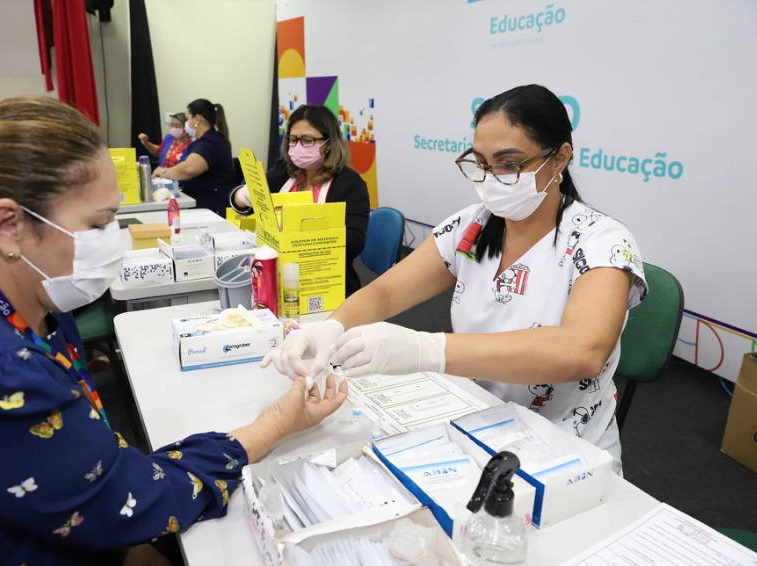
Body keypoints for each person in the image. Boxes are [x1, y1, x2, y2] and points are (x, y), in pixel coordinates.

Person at [0, 96, 347, 565]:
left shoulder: (24, 310)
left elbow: (85, 480)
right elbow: (130, 502)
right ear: (8, 226)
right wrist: (274, 425)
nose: (110, 242)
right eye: (99, 224)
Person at [263, 85, 647, 472]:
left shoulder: (602, 241)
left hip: (566, 450)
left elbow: (582, 352)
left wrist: (428, 350)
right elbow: (387, 291)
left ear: (560, 158)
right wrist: (332, 327)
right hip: (479, 423)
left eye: (509, 164)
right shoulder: (473, 227)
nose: (491, 178)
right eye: (481, 163)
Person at [229, 104, 370, 296]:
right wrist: (242, 196)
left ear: (329, 143)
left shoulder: (349, 183)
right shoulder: (285, 171)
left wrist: (303, 236)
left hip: (325, 280)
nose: (298, 146)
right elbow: (249, 206)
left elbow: (355, 242)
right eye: (293, 140)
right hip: (277, 274)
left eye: (308, 140)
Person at [151, 99, 235, 216]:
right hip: (202, 203)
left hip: (211, 208)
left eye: (187, 119)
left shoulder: (210, 143)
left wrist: (164, 172)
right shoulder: (203, 141)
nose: (186, 124)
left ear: (197, 119)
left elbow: (188, 169)